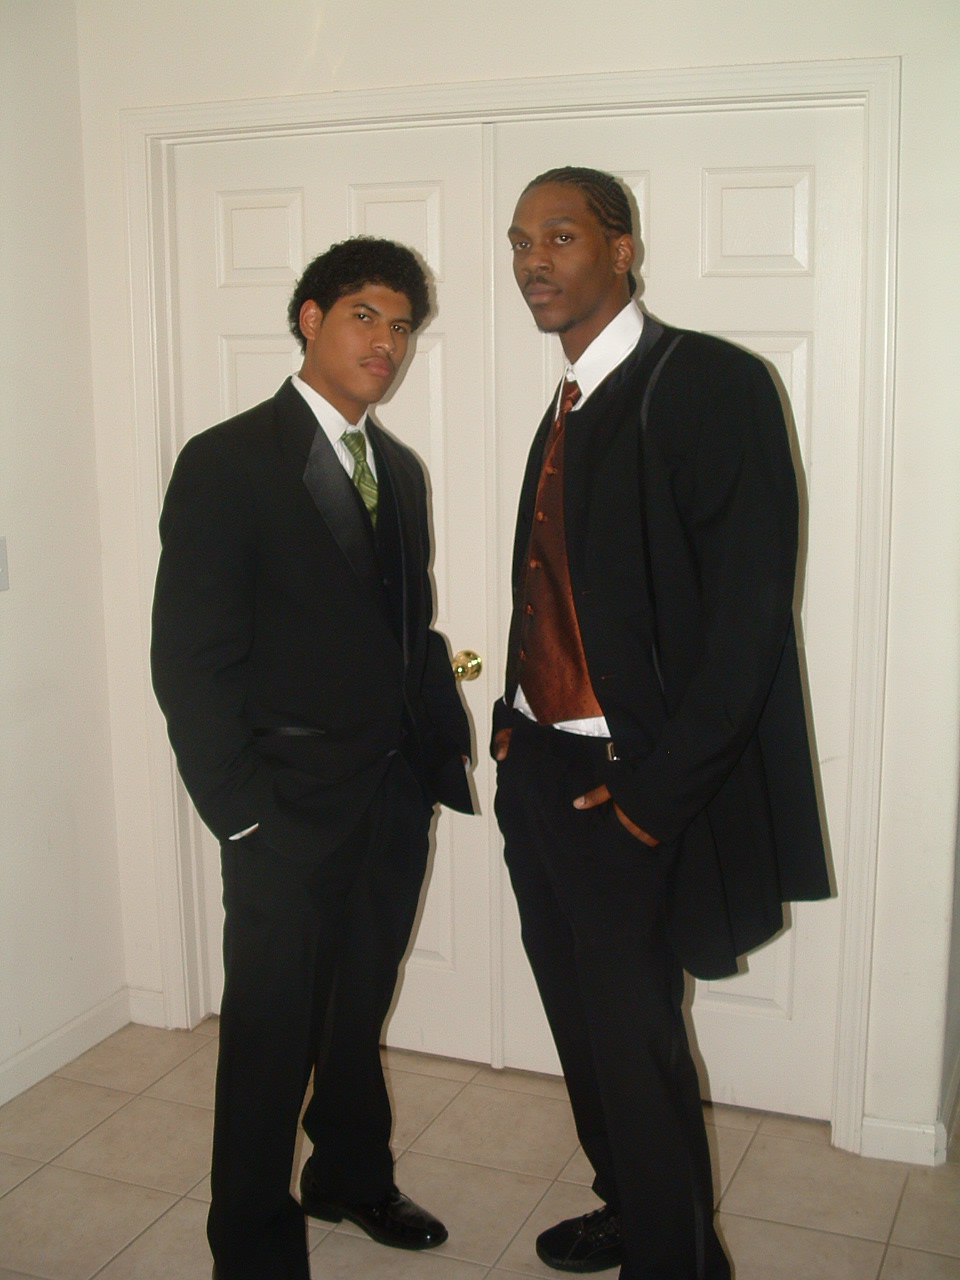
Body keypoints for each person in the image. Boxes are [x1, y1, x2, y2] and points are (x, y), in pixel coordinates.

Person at [492, 167, 829, 1280]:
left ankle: (679, 1262)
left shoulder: (711, 384)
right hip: (540, 768)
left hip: (625, 785)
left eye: (559, 236)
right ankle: (632, 1209)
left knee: (634, 1046)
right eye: (519, 242)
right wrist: (511, 724)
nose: (533, 261)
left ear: (622, 248)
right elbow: (560, 582)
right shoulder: (569, 398)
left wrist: (651, 801)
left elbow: (747, 629)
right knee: (579, 1024)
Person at [152, 237, 473, 1280]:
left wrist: (433, 757)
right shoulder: (228, 461)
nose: (387, 342)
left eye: (402, 326)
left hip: (388, 799)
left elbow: (405, 629)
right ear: (310, 319)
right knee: (269, 1036)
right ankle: (251, 1244)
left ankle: (349, 1173)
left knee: (356, 1007)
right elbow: (189, 659)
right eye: (364, 316)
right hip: (282, 807)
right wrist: (242, 814)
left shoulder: (401, 472)